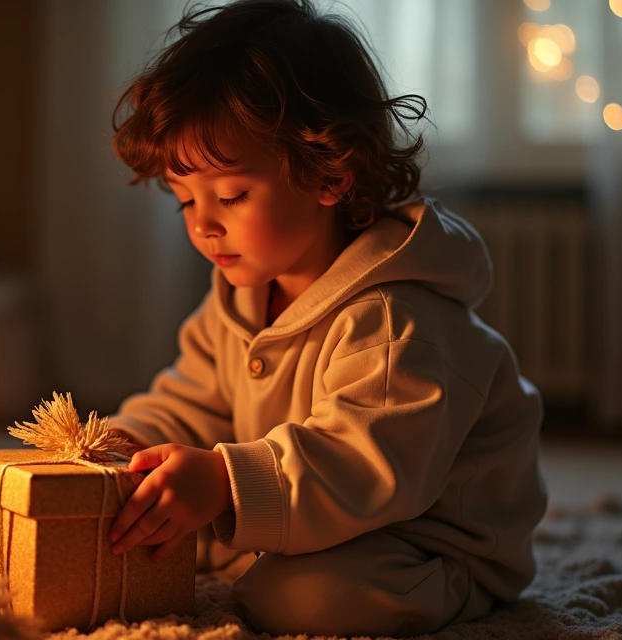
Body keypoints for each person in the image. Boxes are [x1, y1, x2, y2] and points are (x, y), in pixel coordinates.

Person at [103, 1, 547, 636]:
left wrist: (226, 482)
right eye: (184, 202)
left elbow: (362, 461)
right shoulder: (239, 297)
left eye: (230, 195)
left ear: (329, 175)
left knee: (298, 598)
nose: (203, 224)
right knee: (151, 523)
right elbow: (195, 399)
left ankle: (453, 588)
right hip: (311, 514)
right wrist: (132, 446)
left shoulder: (393, 317)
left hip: (426, 536)